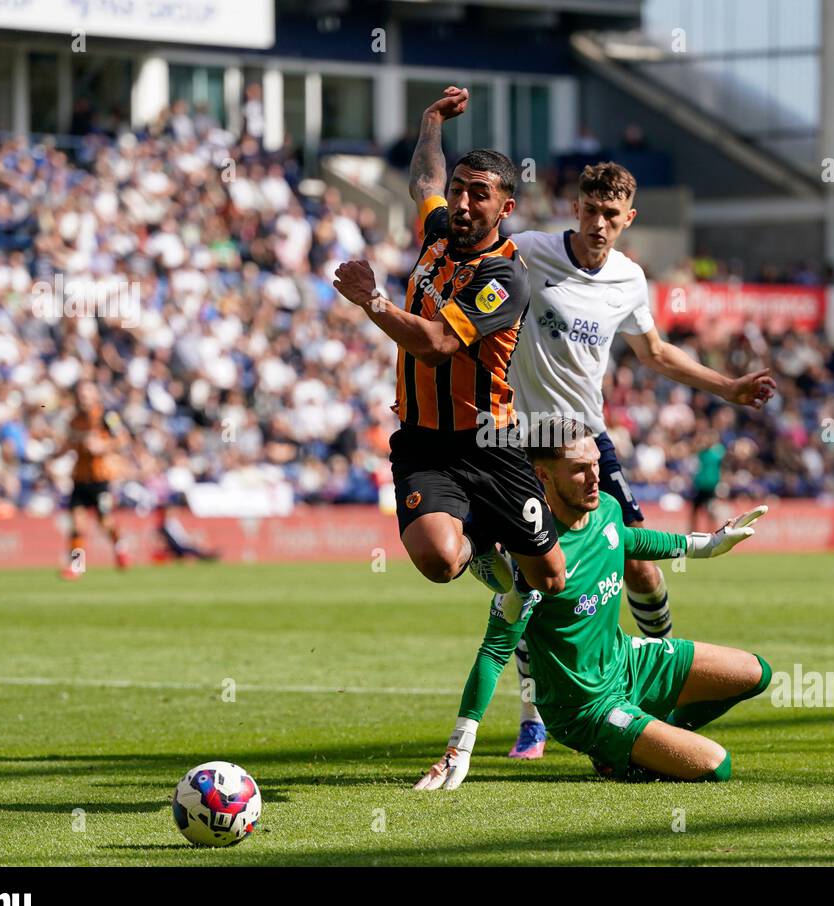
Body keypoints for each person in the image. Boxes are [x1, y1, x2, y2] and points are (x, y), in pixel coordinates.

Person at [433, 154, 776, 760]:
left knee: (640, 565)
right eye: (589, 210)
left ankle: (656, 687)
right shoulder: (530, 251)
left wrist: (728, 388)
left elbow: (657, 354)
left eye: (610, 214)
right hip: (511, 434)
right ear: (575, 209)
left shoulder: (630, 279)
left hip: (585, 437)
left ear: (627, 219)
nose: (597, 223)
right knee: (530, 574)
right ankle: (534, 714)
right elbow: (472, 251)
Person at [416, 417, 771, 789]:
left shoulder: (606, 507)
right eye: (580, 470)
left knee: (756, 673)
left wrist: (706, 545)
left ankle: (648, 732)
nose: (594, 477)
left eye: (596, 464)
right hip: (584, 709)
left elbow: (630, 541)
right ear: (544, 477)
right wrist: (461, 745)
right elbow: (493, 652)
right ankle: (615, 755)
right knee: (717, 765)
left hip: (628, 661)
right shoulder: (534, 559)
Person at [332, 86, 567, 613]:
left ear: (505, 207)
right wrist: (431, 121)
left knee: (550, 580)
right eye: (459, 190)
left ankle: (489, 539)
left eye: (477, 195)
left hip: (491, 441)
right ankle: (479, 547)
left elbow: (438, 345)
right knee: (439, 562)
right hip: (424, 441)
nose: (461, 203)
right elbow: (424, 180)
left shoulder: (505, 277)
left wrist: (372, 300)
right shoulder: (438, 233)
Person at [58, 381, 130, 578]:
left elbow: (123, 438)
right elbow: (68, 444)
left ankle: (118, 544)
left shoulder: (108, 416)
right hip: (80, 478)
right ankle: (77, 566)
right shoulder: (74, 420)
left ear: (95, 395)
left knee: (104, 522)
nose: (84, 398)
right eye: (81, 394)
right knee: (77, 523)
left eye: (87, 394)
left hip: (100, 479)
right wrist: (54, 456)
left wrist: (103, 446)